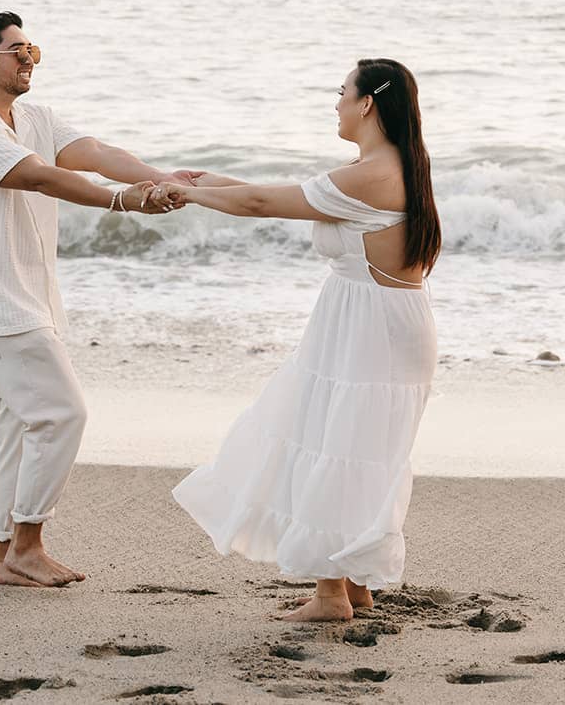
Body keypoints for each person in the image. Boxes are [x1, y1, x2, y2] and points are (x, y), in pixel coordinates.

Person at [161, 58, 442, 621]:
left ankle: (331, 594)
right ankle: (352, 582)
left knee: (342, 447)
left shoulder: (373, 173)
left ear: (366, 104)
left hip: (371, 330)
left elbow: (265, 205)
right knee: (353, 448)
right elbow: (279, 197)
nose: (335, 103)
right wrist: (206, 182)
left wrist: (188, 196)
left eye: (342, 93)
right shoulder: (385, 166)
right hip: (371, 322)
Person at [0, 12, 193, 588]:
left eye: (34, 50)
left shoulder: (32, 116)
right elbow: (41, 177)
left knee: (22, 425)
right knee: (62, 414)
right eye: (17, 51)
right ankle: (28, 544)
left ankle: (6, 557)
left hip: (31, 300)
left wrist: (160, 176)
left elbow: (93, 152)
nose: (29, 59)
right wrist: (124, 204)